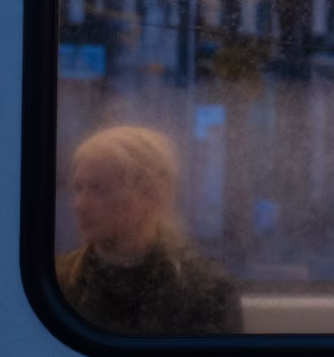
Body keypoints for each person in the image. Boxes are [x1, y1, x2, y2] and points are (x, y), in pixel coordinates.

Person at [57, 126, 242, 334]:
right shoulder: (56, 284)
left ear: (152, 195)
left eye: (99, 189)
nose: (80, 205)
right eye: (78, 188)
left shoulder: (205, 291)